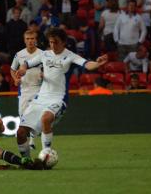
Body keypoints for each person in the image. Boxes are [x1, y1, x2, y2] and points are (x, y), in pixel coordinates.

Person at [15, 28, 107, 158]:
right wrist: (23, 69)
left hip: (58, 98)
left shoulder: (70, 56)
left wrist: (98, 64)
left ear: (64, 42)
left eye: (56, 42)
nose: (53, 45)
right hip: (40, 98)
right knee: (21, 132)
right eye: (51, 42)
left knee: (46, 118)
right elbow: (26, 63)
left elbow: (87, 64)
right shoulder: (45, 54)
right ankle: (26, 161)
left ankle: (46, 154)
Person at [11, 30, 43, 150]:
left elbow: (48, 70)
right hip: (24, 89)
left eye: (32, 38)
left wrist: (44, 75)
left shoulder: (42, 54)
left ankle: (32, 140)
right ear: (25, 40)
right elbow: (12, 69)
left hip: (39, 88)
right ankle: (28, 139)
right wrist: (15, 79)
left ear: (36, 40)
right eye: (28, 39)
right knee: (23, 116)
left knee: (36, 114)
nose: (30, 41)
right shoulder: (19, 55)